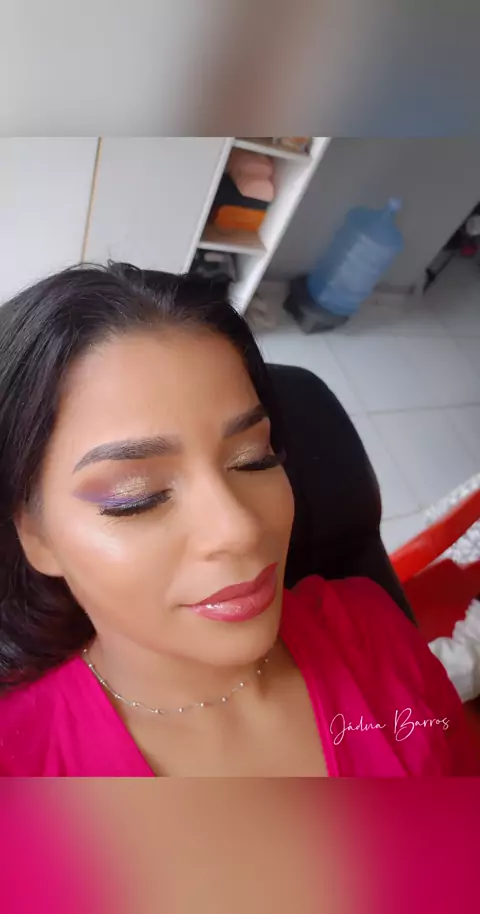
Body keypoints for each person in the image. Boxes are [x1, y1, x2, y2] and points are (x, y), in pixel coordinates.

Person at [0, 263, 477, 777]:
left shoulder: (372, 632)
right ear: (34, 534)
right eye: (137, 497)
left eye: (253, 459)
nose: (240, 528)